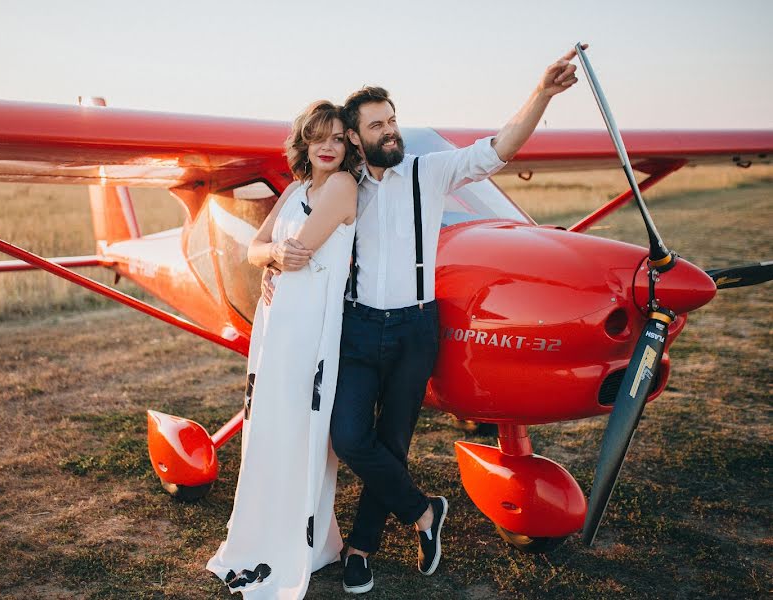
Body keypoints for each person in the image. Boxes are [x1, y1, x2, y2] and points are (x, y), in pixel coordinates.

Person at [262, 47, 584, 595]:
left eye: (393, 120)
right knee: (349, 436)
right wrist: (273, 266)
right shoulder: (342, 186)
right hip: (358, 328)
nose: (390, 131)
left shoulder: (428, 171)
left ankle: (361, 551)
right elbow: (296, 238)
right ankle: (423, 511)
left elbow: (499, 148)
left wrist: (543, 94)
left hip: (415, 329)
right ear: (356, 139)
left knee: (392, 443)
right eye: (376, 125)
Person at [206, 100, 359, 599]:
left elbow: (298, 253)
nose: (330, 147)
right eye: (320, 138)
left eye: (338, 137)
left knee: (301, 429)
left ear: (348, 143)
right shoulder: (295, 190)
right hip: (277, 327)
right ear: (305, 145)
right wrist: (271, 255)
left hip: (311, 329)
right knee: (271, 428)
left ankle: (303, 543)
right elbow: (259, 249)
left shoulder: (342, 187)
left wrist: (273, 257)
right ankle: (265, 533)